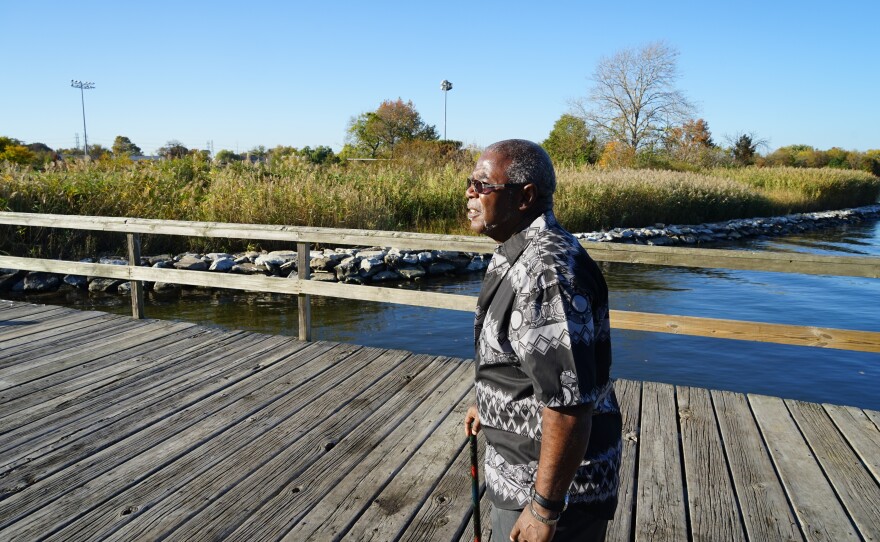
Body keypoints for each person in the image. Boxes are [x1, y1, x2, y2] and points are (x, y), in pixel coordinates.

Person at [463, 139, 622, 542]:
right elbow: (525, 361)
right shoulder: (518, 251)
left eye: (482, 185)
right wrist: (489, 403)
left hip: (552, 494)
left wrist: (544, 509)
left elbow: (568, 405)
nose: (469, 192)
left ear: (525, 197)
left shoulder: (546, 271)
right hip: (522, 471)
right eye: (470, 183)